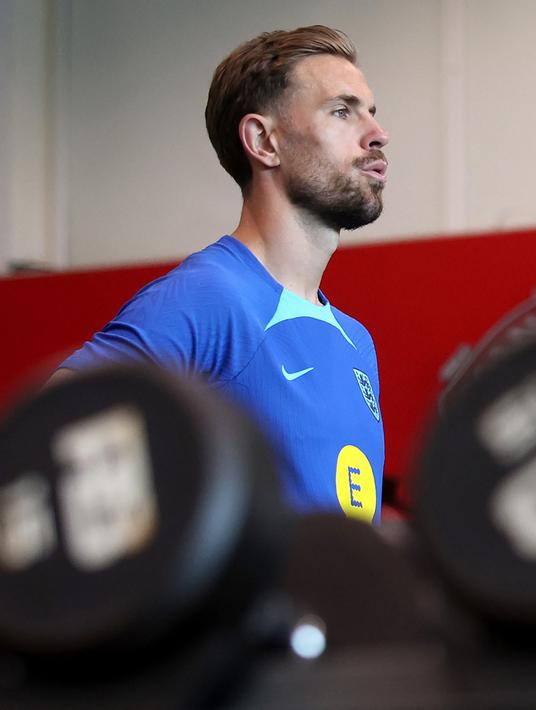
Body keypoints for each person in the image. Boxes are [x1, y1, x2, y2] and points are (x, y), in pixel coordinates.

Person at [51, 26, 389, 524]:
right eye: (342, 111)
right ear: (264, 141)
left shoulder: (356, 342)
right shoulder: (210, 296)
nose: (377, 133)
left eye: (371, 112)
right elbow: (45, 440)